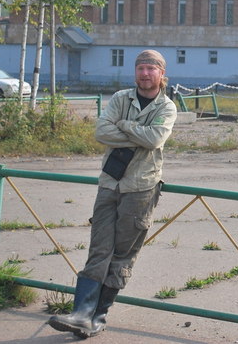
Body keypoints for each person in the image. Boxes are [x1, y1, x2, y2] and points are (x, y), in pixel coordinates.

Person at [48, 49, 177, 338]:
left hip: (140, 188)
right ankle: (81, 313)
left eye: (151, 69)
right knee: (99, 250)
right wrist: (136, 132)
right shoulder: (121, 98)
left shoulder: (166, 107)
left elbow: (156, 139)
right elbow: (101, 133)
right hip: (109, 184)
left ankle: (98, 316)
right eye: (140, 68)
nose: (145, 74)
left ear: (161, 74)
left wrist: (124, 125)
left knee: (121, 255)